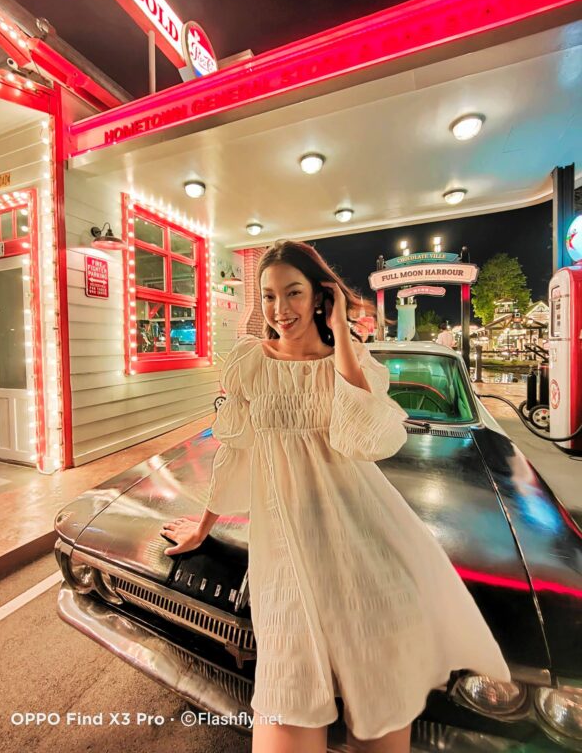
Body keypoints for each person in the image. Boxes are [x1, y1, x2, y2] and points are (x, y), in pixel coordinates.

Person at [161, 240, 511, 753]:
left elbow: (367, 437)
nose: (280, 309)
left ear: (319, 296)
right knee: (286, 702)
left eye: (294, 293)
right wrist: (204, 525)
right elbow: (236, 452)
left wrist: (342, 329)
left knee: (381, 711)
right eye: (269, 296)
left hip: (365, 554)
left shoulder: (352, 362)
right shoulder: (250, 363)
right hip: (285, 559)